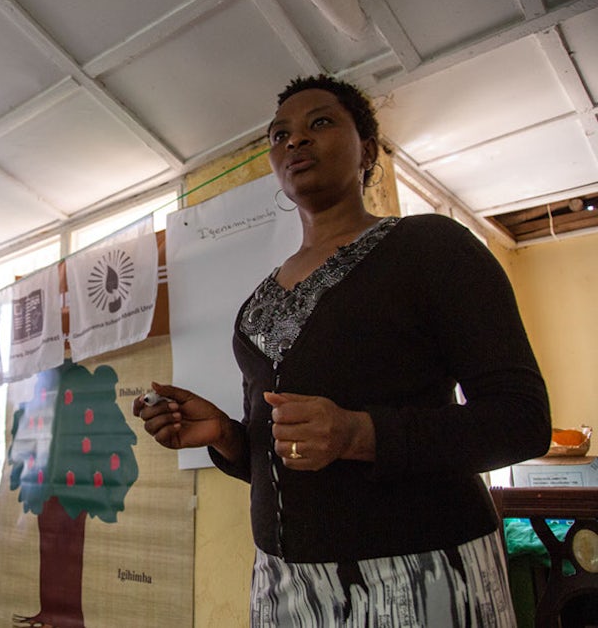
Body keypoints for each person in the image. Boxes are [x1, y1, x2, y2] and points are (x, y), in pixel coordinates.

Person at [133, 74, 552, 625]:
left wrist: (361, 433)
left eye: (321, 123)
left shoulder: (431, 247)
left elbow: (521, 421)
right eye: (279, 134)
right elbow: (286, 458)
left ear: (368, 151)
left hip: (417, 571)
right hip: (283, 584)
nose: (296, 141)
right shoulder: (257, 305)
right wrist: (228, 437)